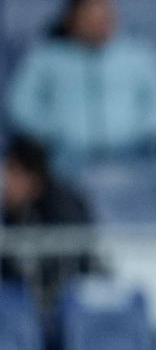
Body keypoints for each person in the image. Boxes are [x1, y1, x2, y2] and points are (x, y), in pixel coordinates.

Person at [5, 0, 156, 169]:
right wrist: (54, 134)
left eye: (105, 18)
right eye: (90, 19)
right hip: (63, 161)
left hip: (132, 158)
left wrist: (139, 133)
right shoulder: (46, 56)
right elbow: (20, 106)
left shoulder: (138, 54)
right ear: (71, 18)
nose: (99, 25)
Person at [1, 136, 95, 334]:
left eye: (12, 172)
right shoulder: (13, 212)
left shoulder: (62, 207)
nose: (6, 182)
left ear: (32, 176)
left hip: (65, 308)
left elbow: (72, 269)